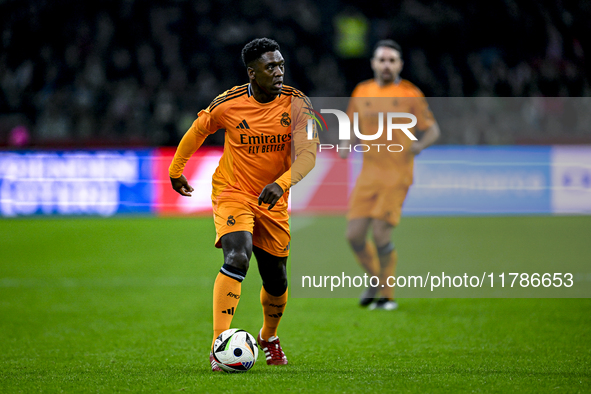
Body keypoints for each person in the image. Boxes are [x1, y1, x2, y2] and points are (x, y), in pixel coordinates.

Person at [168, 38, 318, 371]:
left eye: (281, 65)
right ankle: (218, 345)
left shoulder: (297, 104)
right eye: (270, 67)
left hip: (273, 199)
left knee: (276, 279)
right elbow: (197, 130)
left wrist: (281, 184)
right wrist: (175, 170)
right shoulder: (229, 103)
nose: (279, 72)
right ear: (252, 73)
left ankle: (269, 336)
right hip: (232, 190)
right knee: (237, 255)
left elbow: (309, 154)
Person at [340, 40, 440, 310]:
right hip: (368, 174)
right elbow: (350, 124)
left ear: (400, 65)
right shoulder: (362, 91)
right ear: (373, 63)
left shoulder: (410, 94)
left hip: (397, 175)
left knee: (381, 235)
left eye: (392, 60)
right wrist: (345, 143)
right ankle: (375, 279)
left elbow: (432, 129)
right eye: (382, 60)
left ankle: (387, 295)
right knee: (355, 236)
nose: (386, 65)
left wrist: (419, 145)